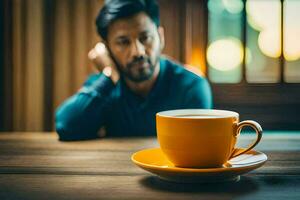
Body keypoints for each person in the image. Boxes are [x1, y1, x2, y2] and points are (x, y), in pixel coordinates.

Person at [55, 0, 213, 141]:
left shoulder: (190, 86)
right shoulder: (106, 85)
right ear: (107, 48)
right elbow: (66, 127)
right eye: (123, 42)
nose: (138, 52)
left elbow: (199, 146)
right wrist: (109, 75)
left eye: (145, 38)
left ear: (160, 37)